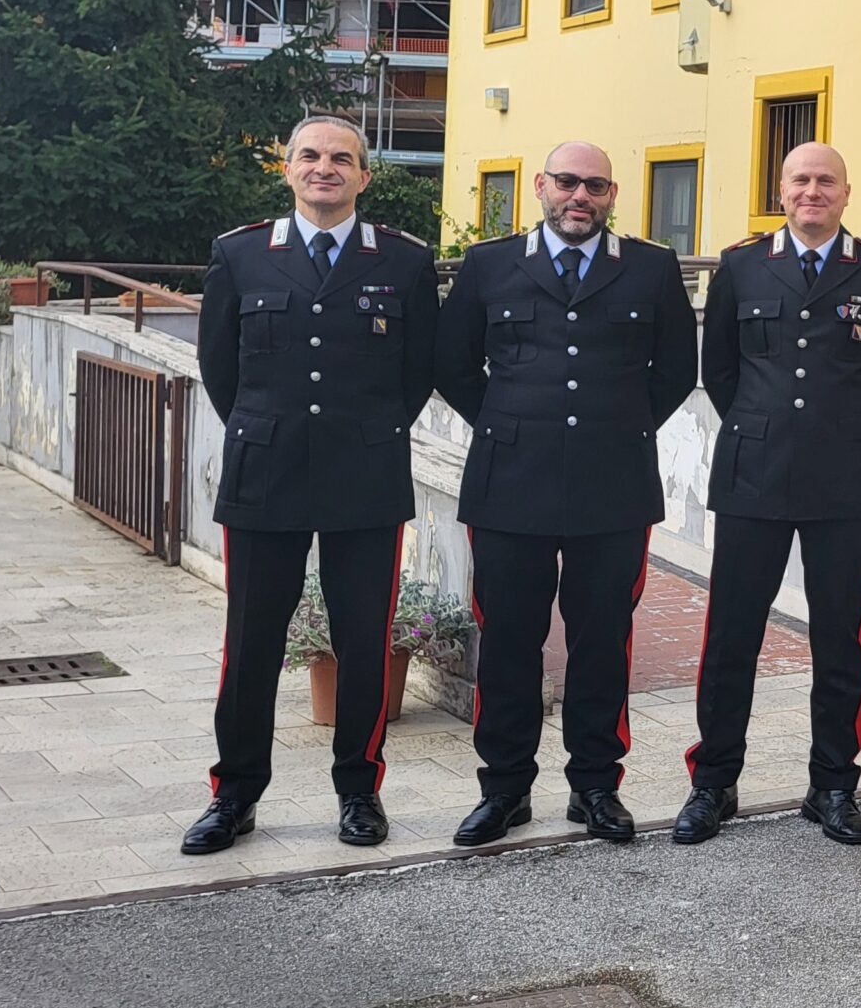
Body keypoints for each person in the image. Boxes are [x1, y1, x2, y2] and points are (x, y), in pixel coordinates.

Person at [184, 116, 437, 855]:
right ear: (288, 167)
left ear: (364, 175)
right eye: (310, 156)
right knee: (250, 642)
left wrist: (365, 432)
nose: (325, 167)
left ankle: (359, 790)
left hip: (366, 475)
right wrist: (268, 428)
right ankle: (234, 795)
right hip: (265, 474)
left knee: (363, 641)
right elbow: (220, 368)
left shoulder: (404, 260)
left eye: (341, 158)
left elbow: (418, 371)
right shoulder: (239, 254)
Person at [433, 142, 697, 847]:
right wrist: (508, 423)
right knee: (508, 640)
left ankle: (595, 786)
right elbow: (452, 364)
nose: (581, 196)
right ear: (541, 187)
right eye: (568, 182)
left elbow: (676, 370)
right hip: (509, 482)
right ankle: (504, 788)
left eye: (596, 186)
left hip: (613, 485)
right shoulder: (489, 264)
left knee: (601, 641)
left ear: (612, 195)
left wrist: (621, 427)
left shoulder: (650, 267)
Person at [676, 142, 861, 846]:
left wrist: (837, 429)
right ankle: (713, 781)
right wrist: (766, 427)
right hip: (752, 473)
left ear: (846, 193)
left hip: (841, 476)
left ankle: (832, 784)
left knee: (838, 638)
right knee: (732, 636)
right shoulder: (743, 265)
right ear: (781, 191)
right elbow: (721, 370)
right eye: (800, 180)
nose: (813, 191)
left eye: (826, 181)